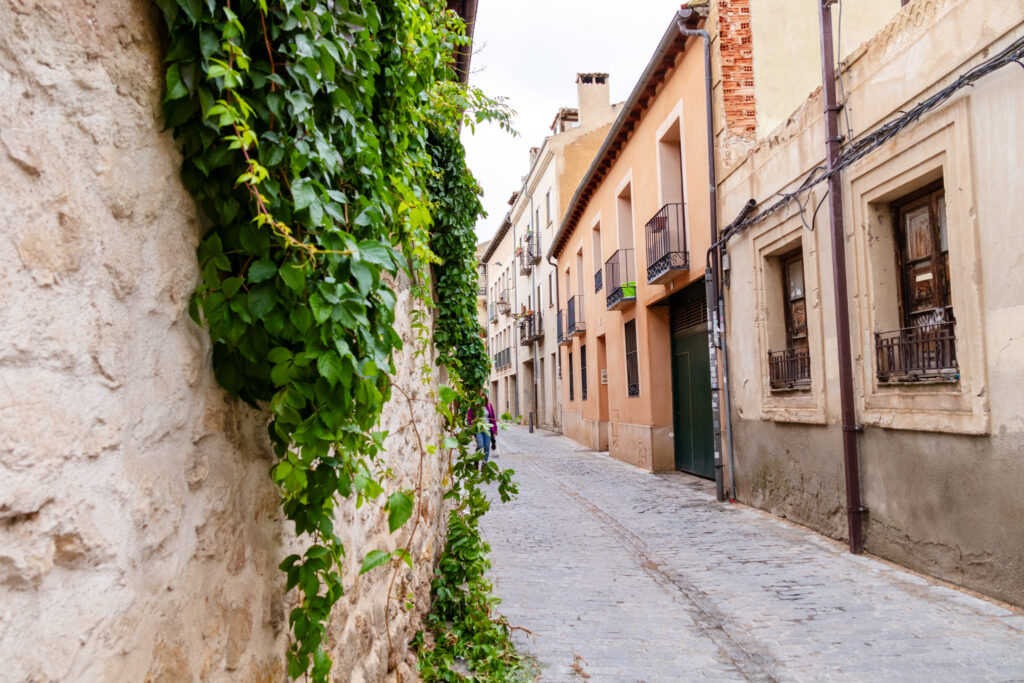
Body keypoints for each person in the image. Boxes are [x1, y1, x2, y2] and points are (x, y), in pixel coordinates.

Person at [468, 395, 498, 462]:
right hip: (478, 429)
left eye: (483, 399)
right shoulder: (474, 406)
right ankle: (476, 460)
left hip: (487, 429)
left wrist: (495, 428)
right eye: (481, 399)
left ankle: (484, 465)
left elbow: (493, 417)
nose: (482, 401)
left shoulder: (489, 406)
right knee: (480, 445)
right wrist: (470, 428)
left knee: (487, 447)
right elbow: (469, 417)